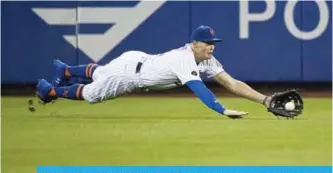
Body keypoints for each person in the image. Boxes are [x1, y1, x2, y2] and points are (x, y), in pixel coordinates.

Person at [36, 25, 272, 119]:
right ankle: (51, 91)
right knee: (91, 94)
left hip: (137, 58)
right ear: (195, 44)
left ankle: (66, 69)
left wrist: (266, 100)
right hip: (130, 76)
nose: (212, 46)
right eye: (208, 42)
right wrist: (221, 109)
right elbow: (199, 88)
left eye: (214, 42)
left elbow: (231, 83)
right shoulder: (185, 59)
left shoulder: (207, 60)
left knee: (101, 72)